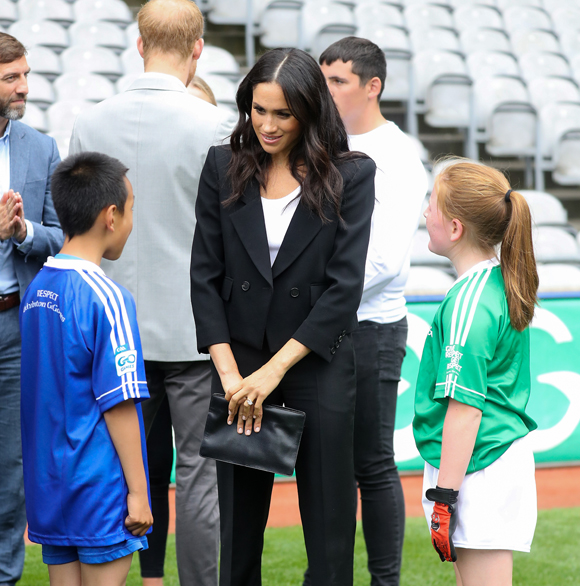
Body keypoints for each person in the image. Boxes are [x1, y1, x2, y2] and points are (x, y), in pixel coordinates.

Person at [190, 48, 376, 586]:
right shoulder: (222, 164)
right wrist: (231, 378)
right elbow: (204, 275)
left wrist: (273, 373)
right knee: (238, 537)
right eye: (257, 110)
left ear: (310, 112)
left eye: (283, 114)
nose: (267, 125)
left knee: (330, 533)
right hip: (237, 370)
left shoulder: (352, 175)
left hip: (314, 367)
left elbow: (344, 290)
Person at [69, 1, 234, 584]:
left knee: (120, 467)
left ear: (139, 45)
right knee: (197, 474)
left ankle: (128, 576)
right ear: (197, 49)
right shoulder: (214, 124)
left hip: (110, 328)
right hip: (193, 330)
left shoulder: (91, 122)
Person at [317, 37, 427, 586]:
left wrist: (317, 298)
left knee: (373, 464)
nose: (327, 90)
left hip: (370, 328)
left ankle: (385, 581)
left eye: (338, 81)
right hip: (325, 324)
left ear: (372, 86)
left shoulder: (398, 155)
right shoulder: (320, 142)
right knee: (325, 467)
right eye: (325, 79)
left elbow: (382, 259)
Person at [19, 151, 153, 586]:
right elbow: (119, 404)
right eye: (132, 210)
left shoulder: (38, 287)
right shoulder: (108, 297)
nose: (132, 222)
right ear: (111, 216)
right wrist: (138, 492)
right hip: (97, 486)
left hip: (49, 486)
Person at [413, 160, 539, 586]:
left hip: (480, 465)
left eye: (431, 204)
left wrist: (444, 498)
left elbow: (465, 410)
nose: (424, 214)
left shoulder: (473, 299)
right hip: (483, 462)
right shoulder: (488, 284)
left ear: (453, 228)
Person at [0, 32, 63, 586]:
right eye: (11, 77)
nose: (24, 87)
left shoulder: (40, 147)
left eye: (25, 74)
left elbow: (62, 236)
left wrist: (24, 232)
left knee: (11, 471)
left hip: (17, 324)